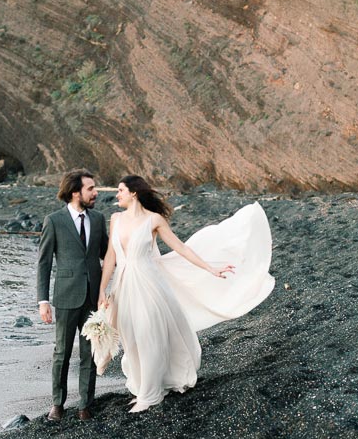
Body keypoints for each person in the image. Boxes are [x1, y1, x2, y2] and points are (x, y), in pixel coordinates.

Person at [98, 175, 274, 413]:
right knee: (130, 338)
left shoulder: (154, 220)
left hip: (149, 285)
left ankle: (149, 395)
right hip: (123, 285)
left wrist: (211, 268)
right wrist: (102, 289)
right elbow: (110, 257)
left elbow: (180, 247)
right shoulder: (116, 220)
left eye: (120, 190)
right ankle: (142, 388)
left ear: (134, 193)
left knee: (148, 333)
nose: (116, 195)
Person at [36, 169, 109, 422]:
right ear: (75, 192)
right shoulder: (54, 220)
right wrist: (43, 301)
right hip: (66, 296)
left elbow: (107, 255)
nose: (96, 192)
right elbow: (44, 263)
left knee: (89, 352)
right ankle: (57, 404)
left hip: (93, 297)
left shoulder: (98, 219)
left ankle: (85, 405)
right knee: (62, 352)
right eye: (91, 188)